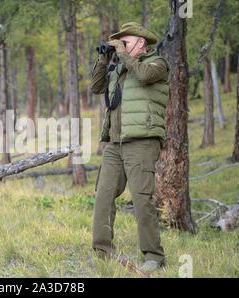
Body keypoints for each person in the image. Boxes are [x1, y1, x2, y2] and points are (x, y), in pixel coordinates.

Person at [90, 22, 169, 273]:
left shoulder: (157, 64)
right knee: (103, 195)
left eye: (126, 41)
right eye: (119, 42)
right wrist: (104, 60)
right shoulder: (120, 68)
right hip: (115, 142)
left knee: (141, 198)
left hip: (143, 141)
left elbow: (144, 76)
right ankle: (103, 252)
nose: (120, 46)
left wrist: (122, 54)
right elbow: (95, 87)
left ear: (141, 43)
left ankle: (154, 256)